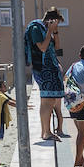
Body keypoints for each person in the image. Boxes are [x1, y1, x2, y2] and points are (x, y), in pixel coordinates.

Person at [26, 8, 65, 141]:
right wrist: (49, 30)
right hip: (42, 68)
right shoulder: (36, 28)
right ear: (50, 20)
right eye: (56, 23)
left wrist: (55, 31)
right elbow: (42, 48)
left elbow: (57, 47)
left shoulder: (46, 30)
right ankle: (47, 132)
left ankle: (45, 132)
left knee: (49, 101)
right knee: (48, 101)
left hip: (50, 67)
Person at [64, 46, 84, 167]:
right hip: (82, 103)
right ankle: (78, 159)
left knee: (79, 132)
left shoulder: (72, 66)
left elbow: (65, 78)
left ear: (79, 54)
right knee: (83, 133)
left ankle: (81, 158)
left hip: (71, 102)